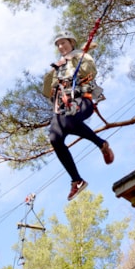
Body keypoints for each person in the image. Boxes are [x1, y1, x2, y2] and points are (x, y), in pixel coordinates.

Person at [42, 30, 114, 201]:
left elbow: (90, 71)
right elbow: (48, 91)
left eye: (64, 43)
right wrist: (52, 76)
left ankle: (101, 144)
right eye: (58, 44)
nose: (61, 46)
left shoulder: (80, 56)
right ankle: (77, 180)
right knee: (54, 138)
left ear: (71, 43)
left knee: (68, 121)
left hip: (82, 101)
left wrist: (76, 57)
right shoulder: (58, 67)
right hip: (63, 107)